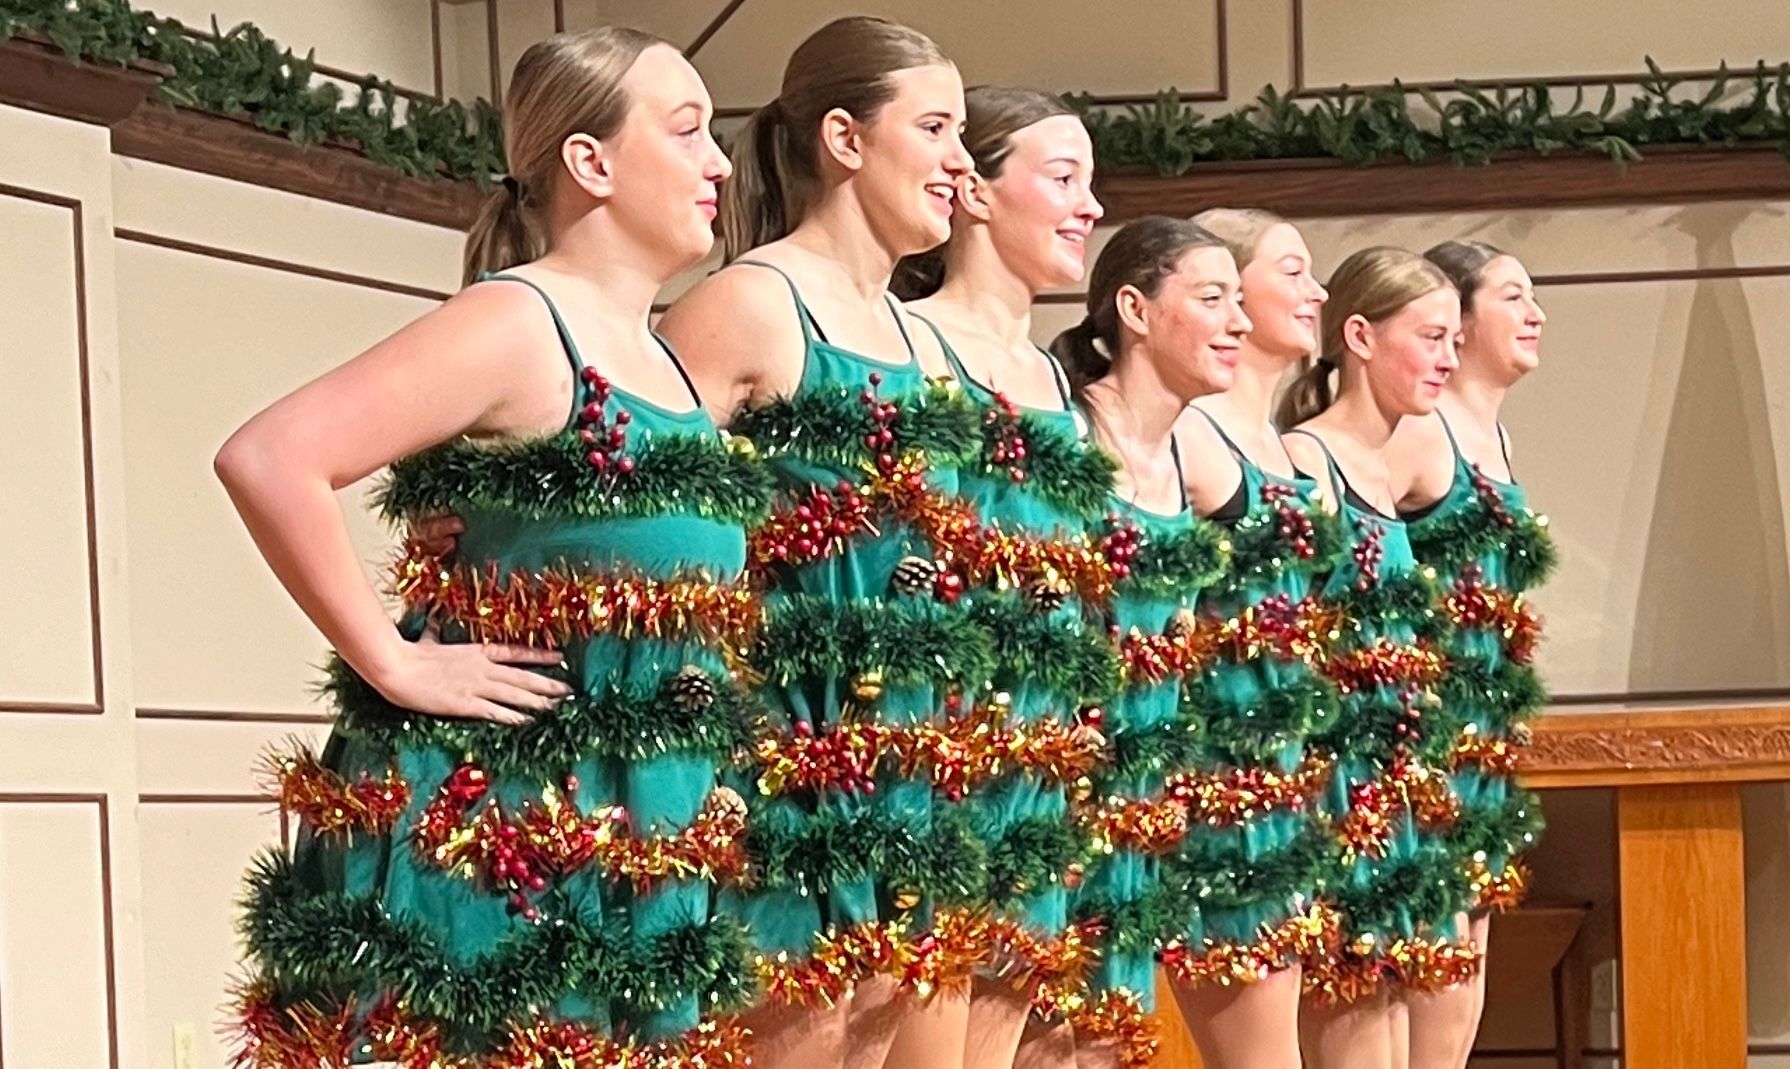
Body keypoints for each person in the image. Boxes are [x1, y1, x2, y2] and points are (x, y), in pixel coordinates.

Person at [216, 28, 763, 1064]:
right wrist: (394, 660)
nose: (718, 165)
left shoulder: (663, 361)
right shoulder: (519, 321)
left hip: (633, 824)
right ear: (591, 162)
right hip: (496, 831)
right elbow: (271, 457)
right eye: (687, 131)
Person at [656, 16, 980, 1068]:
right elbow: (639, 511)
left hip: (902, 762)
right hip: (780, 763)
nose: (959, 161)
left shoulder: (920, 340)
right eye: (933, 128)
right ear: (845, 138)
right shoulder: (749, 304)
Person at [894, 84, 1112, 1069]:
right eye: (1062, 179)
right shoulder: (912, 345)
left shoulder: (1050, 376)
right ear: (975, 193)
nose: (1088, 207)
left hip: (1037, 763)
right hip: (937, 761)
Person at [1050, 216, 1250, 1069]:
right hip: (1059, 807)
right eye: (1212, 298)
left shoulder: (1187, 463)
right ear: (1134, 309)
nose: (1238, 321)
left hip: (1138, 810)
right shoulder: (1069, 434)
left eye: (1239, 299)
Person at [1278, 246, 1476, 1069]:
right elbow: (1290, 631)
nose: (1448, 358)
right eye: (1430, 337)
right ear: (1359, 336)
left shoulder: (1379, 468)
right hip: (1342, 787)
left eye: (1454, 339)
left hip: (1392, 780)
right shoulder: (1308, 460)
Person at [1161, 209, 1344, 1069]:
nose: (1317, 292)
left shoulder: (1281, 447)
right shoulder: (1192, 432)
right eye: (1292, 271)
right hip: (1221, 786)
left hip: (1282, 780)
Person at [1387, 241, 1555, 1069]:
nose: (1536, 313)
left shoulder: (1496, 436)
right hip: (1429, 739)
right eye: (1513, 296)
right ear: (1457, 314)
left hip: (1481, 740)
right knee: (1429, 976)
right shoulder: (1422, 433)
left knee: (1463, 989)